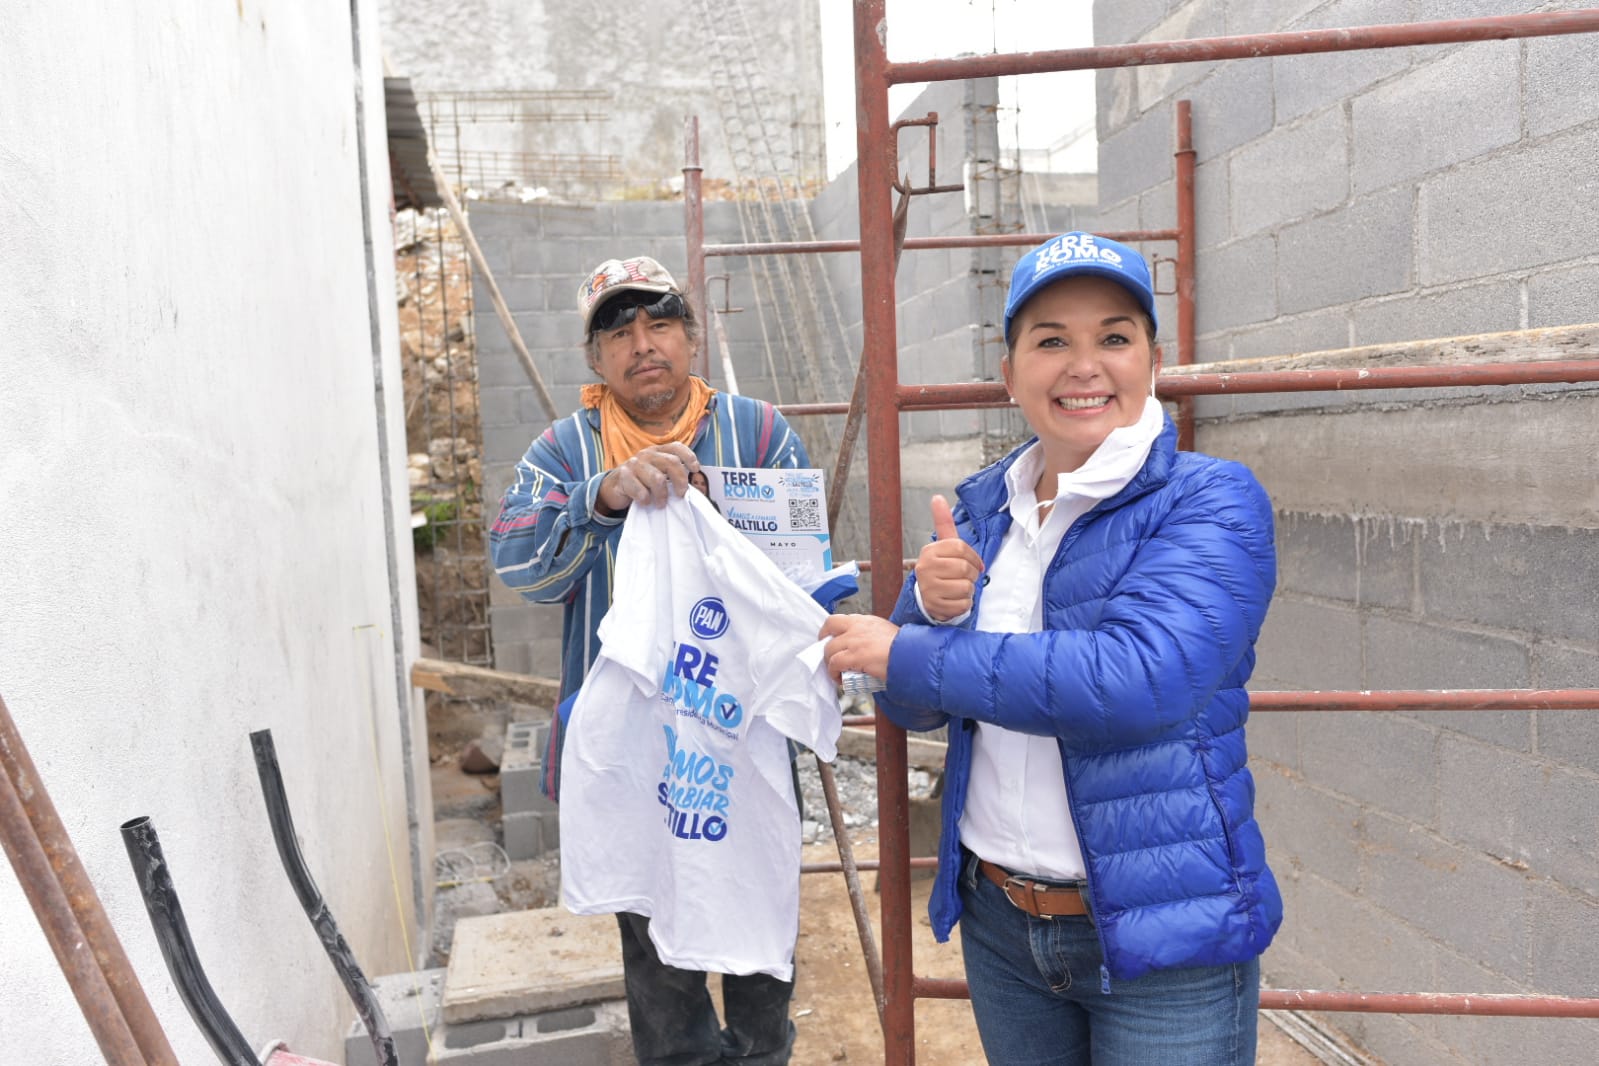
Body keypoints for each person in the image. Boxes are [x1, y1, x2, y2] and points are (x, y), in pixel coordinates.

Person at [819, 232, 1281, 1064]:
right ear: (1009, 373)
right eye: (1050, 341)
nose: (1083, 365)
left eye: (1112, 336)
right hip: (1003, 926)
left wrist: (908, 650)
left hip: (1161, 934)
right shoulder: (983, 509)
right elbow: (909, 704)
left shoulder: (1208, 501)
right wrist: (927, 604)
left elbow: (1139, 681)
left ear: (1151, 358)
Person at [491, 255, 809, 1066]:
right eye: (619, 331)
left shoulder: (759, 433)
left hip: (737, 731)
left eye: (659, 323)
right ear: (595, 360)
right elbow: (522, 567)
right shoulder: (564, 453)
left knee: (757, 927)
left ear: (692, 338)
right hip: (635, 747)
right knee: (658, 955)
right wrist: (600, 498)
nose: (642, 345)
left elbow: (802, 575)